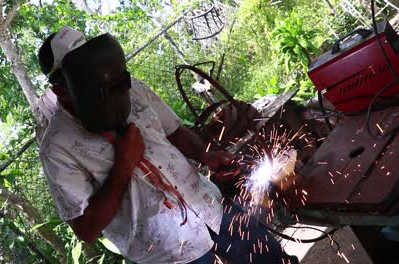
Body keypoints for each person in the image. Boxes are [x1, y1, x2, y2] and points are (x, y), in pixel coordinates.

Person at [37, 25, 298, 264]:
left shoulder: (132, 88)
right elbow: (86, 229)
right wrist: (122, 167)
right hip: (169, 251)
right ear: (61, 89)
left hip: (208, 206)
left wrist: (206, 156)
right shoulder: (57, 147)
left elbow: (174, 131)